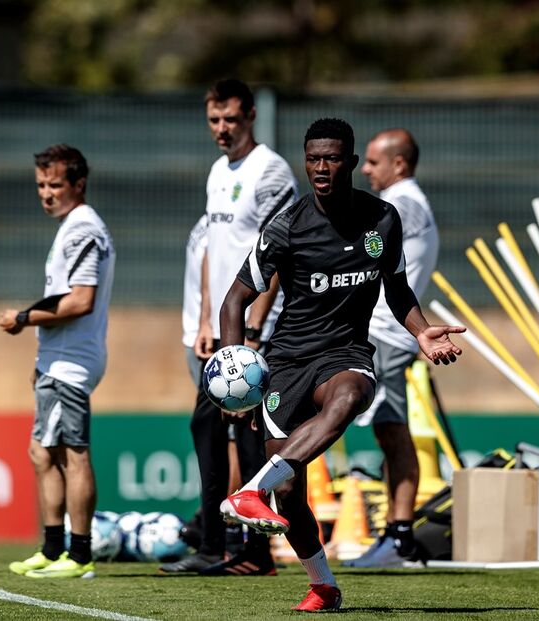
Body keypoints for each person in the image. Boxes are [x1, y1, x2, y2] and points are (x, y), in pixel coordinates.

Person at [217, 118, 463, 612]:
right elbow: (235, 300)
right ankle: (323, 584)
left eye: (331, 159)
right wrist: (232, 365)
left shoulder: (383, 220)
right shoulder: (286, 225)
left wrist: (421, 332)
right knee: (290, 493)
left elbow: (396, 288)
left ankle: (249, 490)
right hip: (286, 361)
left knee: (350, 396)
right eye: (313, 159)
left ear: (350, 162)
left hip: (346, 353)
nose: (321, 168)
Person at [159, 78, 297, 577]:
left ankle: (255, 552)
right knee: (209, 427)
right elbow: (213, 250)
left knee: (252, 438)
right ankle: (217, 545)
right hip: (222, 329)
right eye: (214, 120)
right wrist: (203, 319)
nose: (221, 129)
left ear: (251, 116)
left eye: (231, 120)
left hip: (257, 328)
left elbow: (280, 253)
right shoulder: (219, 170)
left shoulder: (271, 170)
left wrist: (257, 323)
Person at [0, 144, 115, 579]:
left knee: (73, 454)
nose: (46, 193)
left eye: (54, 185)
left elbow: (80, 300)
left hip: (72, 360)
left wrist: (23, 318)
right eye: (41, 185)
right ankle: (52, 548)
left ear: (78, 184)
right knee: (42, 452)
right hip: (56, 357)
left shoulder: (85, 228)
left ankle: (81, 555)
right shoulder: (71, 226)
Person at [344, 128, 440, 568]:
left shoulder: (401, 206)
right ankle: (396, 535)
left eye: (373, 162)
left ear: (399, 164)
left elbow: (360, 258)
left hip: (386, 333)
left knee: (390, 428)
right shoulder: (410, 204)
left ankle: (401, 539)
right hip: (385, 333)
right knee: (387, 428)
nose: (365, 169)